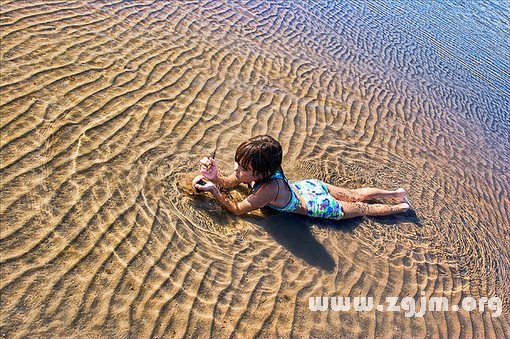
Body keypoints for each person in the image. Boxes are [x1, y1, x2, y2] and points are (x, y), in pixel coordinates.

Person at [192, 135, 411, 220]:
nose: (237, 171)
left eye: (242, 168)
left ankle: (399, 208)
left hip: (320, 205)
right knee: (354, 195)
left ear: (260, 173)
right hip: (309, 188)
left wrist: (215, 192)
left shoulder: (268, 189)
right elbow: (230, 182)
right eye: (237, 164)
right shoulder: (265, 168)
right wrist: (215, 176)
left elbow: (238, 209)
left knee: (363, 209)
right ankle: (395, 193)